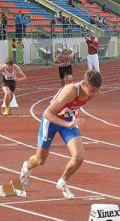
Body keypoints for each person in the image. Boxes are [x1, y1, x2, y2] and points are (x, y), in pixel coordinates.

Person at [19, 70, 103, 199]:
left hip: (68, 121)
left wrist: (69, 122)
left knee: (79, 157)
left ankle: (62, 182)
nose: (94, 94)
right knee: (40, 160)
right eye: (92, 90)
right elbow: (47, 113)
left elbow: (86, 97)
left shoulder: (95, 91)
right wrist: (67, 124)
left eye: (97, 90)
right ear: (84, 84)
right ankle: (26, 166)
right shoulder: (71, 91)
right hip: (51, 121)